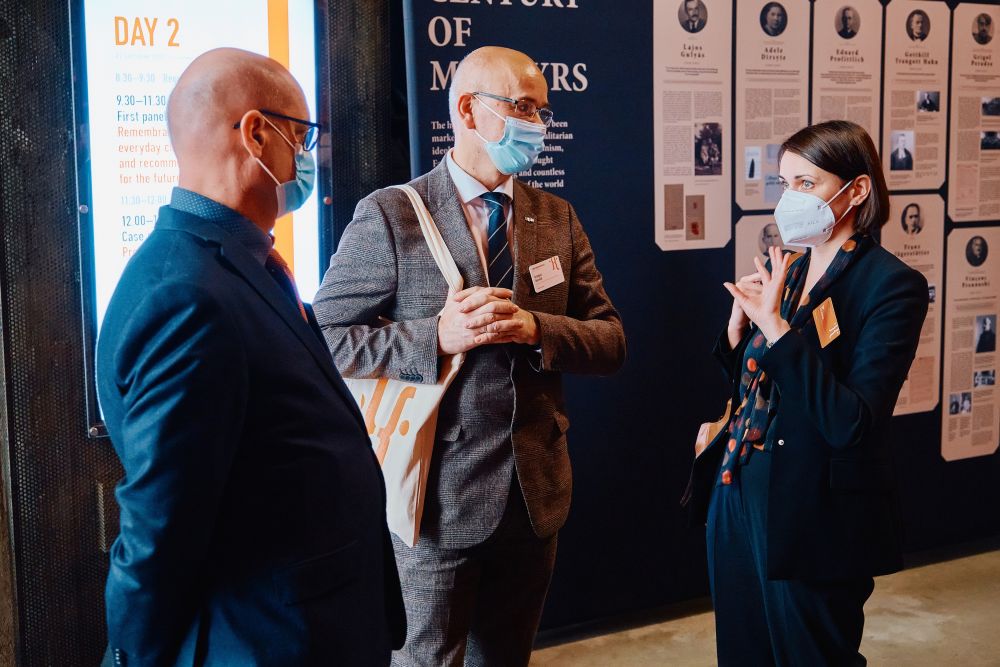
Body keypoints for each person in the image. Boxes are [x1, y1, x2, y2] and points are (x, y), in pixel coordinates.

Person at [313, 46, 625, 666]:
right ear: (467, 109)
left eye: (543, 110)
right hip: (436, 501)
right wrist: (435, 338)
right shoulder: (391, 215)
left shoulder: (555, 217)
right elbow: (324, 339)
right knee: (426, 659)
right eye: (523, 108)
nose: (538, 124)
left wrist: (537, 329)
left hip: (535, 496)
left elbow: (610, 340)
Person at [95, 48, 405, 666]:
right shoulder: (186, 296)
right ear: (257, 133)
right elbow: (159, 531)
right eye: (302, 134)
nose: (308, 155)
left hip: (317, 624)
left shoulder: (236, 264)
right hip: (272, 642)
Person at [683, 120, 928, 666]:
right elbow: (765, 383)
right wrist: (739, 332)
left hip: (814, 514)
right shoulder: (790, 270)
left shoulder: (891, 285)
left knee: (812, 654)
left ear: (856, 190)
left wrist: (775, 329)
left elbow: (852, 422)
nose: (789, 199)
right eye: (784, 183)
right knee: (744, 652)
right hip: (740, 495)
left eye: (807, 184)